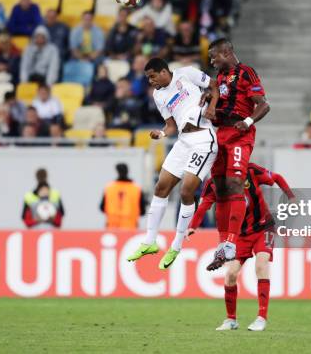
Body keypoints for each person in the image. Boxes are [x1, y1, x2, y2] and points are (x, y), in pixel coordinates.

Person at [126, 58, 219, 270]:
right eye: (148, 78)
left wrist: (212, 107)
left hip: (203, 139)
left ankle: (176, 246)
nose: (150, 81)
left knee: (187, 191)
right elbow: (170, 125)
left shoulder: (186, 73)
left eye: (152, 76)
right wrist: (161, 133)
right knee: (161, 187)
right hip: (183, 141)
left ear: (163, 72)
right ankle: (149, 242)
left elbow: (213, 85)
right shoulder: (159, 95)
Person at [188, 163, 295, 332]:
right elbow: (203, 206)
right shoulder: (213, 184)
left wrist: (291, 197)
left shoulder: (250, 170)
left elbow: (276, 177)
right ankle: (231, 320)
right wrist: (192, 225)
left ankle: (261, 317)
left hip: (262, 227)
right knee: (230, 274)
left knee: (261, 265)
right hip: (239, 235)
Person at [206, 38, 270, 270]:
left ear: (226, 52)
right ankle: (223, 246)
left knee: (234, 183)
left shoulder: (246, 73)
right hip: (220, 134)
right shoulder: (220, 79)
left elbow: (263, 104)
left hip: (240, 135)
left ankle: (232, 243)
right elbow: (218, 106)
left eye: (214, 57)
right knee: (220, 189)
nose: (212, 62)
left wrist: (248, 120)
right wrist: (209, 103)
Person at [99, 163, 147, 229]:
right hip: (130, 228)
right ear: (127, 171)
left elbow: (102, 208)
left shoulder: (109, 188)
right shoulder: (136, 189)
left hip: (112, 228)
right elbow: (142, 211)